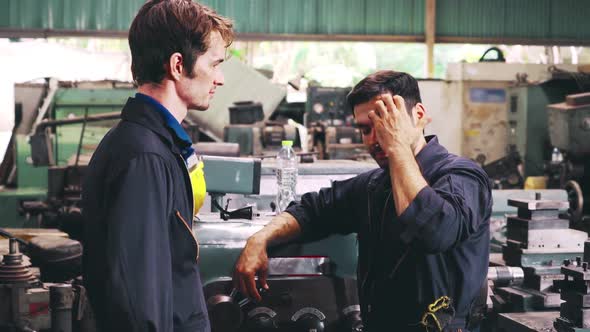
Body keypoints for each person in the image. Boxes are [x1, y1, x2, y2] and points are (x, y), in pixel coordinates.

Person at [233, 71, 492, 332]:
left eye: (385, 123)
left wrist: (398, 147)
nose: (375, 138)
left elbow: (433, 230)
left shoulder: (462, 177)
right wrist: (260, 238)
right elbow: (313, 210)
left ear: (419, 115)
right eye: (365, 129)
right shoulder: (373, 187)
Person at [81, 1, 233, 331]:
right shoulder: (145, 157)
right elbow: (138, 304)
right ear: (178, 65)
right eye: (215, 64)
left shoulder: (156, 145)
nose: (219, 79)